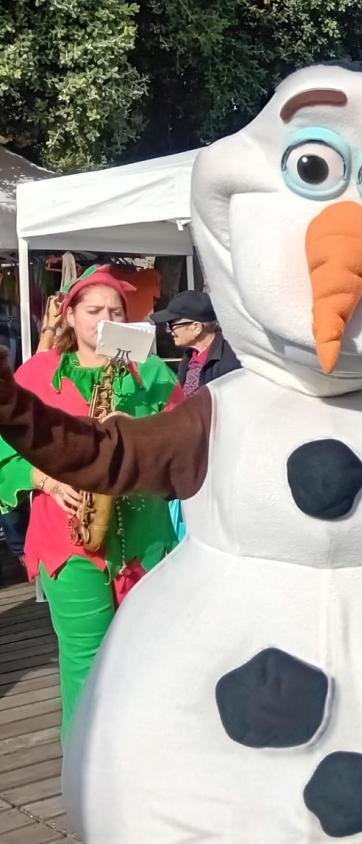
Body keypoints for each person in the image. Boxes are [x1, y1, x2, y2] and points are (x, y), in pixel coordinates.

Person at [0, 265, 182, 738]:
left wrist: (140, 434)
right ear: (69, 315)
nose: (105, 320)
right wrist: (43, 478)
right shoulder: (37, 373)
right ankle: (84, 765)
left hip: (144, 539)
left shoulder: (151, 372)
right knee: (87, 661)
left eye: (116, 312)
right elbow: (4, 450)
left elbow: (186, 441)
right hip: (67, 542)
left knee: (148, 658)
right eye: (94, 310)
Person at [150, 289, 241, 397]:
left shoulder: (230, 361)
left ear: (196, 328)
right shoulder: (189, 357)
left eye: (172, 325)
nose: (169, 331)